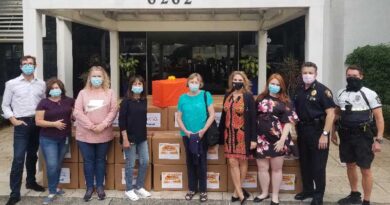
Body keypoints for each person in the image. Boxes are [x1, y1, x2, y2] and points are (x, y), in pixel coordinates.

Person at [332, 65, 384, 205]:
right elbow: (336, 113)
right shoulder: (340, 93)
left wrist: (378, 140)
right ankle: (354, 194)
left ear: (361, 76)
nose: (351, 78)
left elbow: (379, 118)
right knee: (350, 165)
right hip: (345, 134)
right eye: (349, 76)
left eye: (355, 76)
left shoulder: (370, 94)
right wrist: (332, 131)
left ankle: (366, 201)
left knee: (365, 169)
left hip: (363, 136)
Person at [1, 55, 46, 205]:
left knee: (33, 155)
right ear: (20, 66)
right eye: (25, 64)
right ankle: (14, 193)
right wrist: (13, 119)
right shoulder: (11, 84)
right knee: (19, 158)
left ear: (35, 65)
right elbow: (5, 105)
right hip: (21, 124)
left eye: (30, 63)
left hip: (37, 123)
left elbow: (45, 103)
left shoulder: (41, 84)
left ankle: (31, 182)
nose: (28, 66)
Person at [293, 62, 336, 205]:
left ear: (316, 74)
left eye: (310, 73)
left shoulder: (323, 91)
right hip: (303, 130)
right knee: (305, 163)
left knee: (318, 166)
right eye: (305, 72)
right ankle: (308, 190)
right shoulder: (298, 90)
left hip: (318, 131)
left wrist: (325, 134)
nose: (307, 75)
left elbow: (331, 114)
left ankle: (318, 196)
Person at [73, 65, 118, 201]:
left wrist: (103, 125)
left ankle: (99, 186)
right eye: (94, 76)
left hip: (104, 134)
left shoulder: (110, 93)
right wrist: (92, 126)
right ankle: (89, 187)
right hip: (85, 135)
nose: (96, 78)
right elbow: (77, 112)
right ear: (89, 78)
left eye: (99, 76)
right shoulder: (83, 93)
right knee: (88, 161)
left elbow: (114, 110)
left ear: (104, 78)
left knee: (100, 161)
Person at [254, 74, 298, 205]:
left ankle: (275, 196)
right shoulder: (260, 98)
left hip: (278, 139)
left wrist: (282, 140)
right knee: (262, 168)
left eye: (278, 84)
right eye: (272, 83)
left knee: (277, 169)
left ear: (281, 86)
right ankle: (264, 193)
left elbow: (289, 122)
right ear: (268, 84)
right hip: (261, 139)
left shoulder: (286, 101)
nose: (274, 86)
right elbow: (253, 117)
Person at [218, 71, 257, 205]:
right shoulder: (227, 95)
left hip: (243, 135)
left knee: (242, 162)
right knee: (232, 163)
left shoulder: (248, 97)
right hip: (229, 135)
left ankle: (237, 193)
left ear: (244, 81)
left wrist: (253, 139)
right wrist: (219, 136)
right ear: (231, 81)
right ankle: (240, 192)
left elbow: (253, 119)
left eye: (240, 79)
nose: (237, 82)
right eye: (235, 79)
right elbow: (223, 117)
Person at [35, 78, 75, 204]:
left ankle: (56, 187)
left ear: (61, 89)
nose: (55, 90)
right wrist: (54, 124)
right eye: (52, 88)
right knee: (52, 165)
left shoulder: (69, 101)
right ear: (48, 90)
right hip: (48, 139)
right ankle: (52, 191)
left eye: (57, 87)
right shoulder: (43, 103)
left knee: (58, 164)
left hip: (65, 138)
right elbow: (38, 121)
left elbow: (73, 115)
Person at [177, 73, 215, 203]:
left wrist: (203, 130)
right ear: (187, 83)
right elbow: (178, 117)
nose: (194, 84)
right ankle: (192, 189)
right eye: (191, 81)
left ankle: (203, 190)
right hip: (187, 135)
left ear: (200, 83)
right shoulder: (182, 98)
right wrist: (186, 131)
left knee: (202, 162)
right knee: (190, 162)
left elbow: (212, 115)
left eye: (196, 81)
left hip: (201, 134)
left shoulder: (206, 95)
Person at [118, 75, 151, 201]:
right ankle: (129, 189)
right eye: (135, 84)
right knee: (130, 164)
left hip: (142, 137)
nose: (138, 86)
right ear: (131, 86)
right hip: (129, 137)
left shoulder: (144, 100)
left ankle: (139, 186)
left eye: (140, 84)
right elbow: (122, 122)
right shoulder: (126, 101)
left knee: (145, 161)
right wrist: (125, 139)